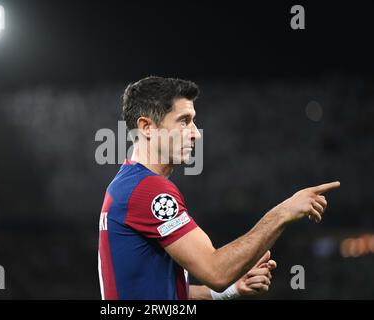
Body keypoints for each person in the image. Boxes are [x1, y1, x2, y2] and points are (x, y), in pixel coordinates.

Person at [97, 76, 340, 300]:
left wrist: (231, 290)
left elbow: (157, 289)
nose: (195, 134)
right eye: (184, 121)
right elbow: (217, 271)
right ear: (147, 127)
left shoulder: (124, 184)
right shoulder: (148, 190)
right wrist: (283, 213)